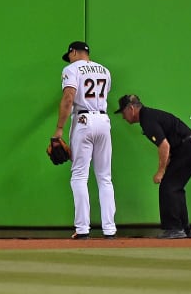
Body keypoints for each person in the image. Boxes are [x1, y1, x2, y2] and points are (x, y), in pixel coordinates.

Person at [52, 41, 117, 239]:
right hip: (104, 121)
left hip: (83, 119)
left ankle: (82, 229)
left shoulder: (71, 68)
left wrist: (59, 129)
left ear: (73, 52)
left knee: (79, 176)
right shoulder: (105, 71)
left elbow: (69, 98)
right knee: (104, 177)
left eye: (69, 54)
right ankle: (110, 229)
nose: (69, 57)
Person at [114, 94, 191, 239]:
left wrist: (160, 172)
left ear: (131, 108)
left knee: (168, 187)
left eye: (123, 112)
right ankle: (185, 229)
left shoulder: (147, 119)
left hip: (187, 148)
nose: (123, 117)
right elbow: (168, 145)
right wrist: (166, 165)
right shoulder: (149, 116)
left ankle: (174, 229)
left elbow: (164, 145)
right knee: (175, 187)